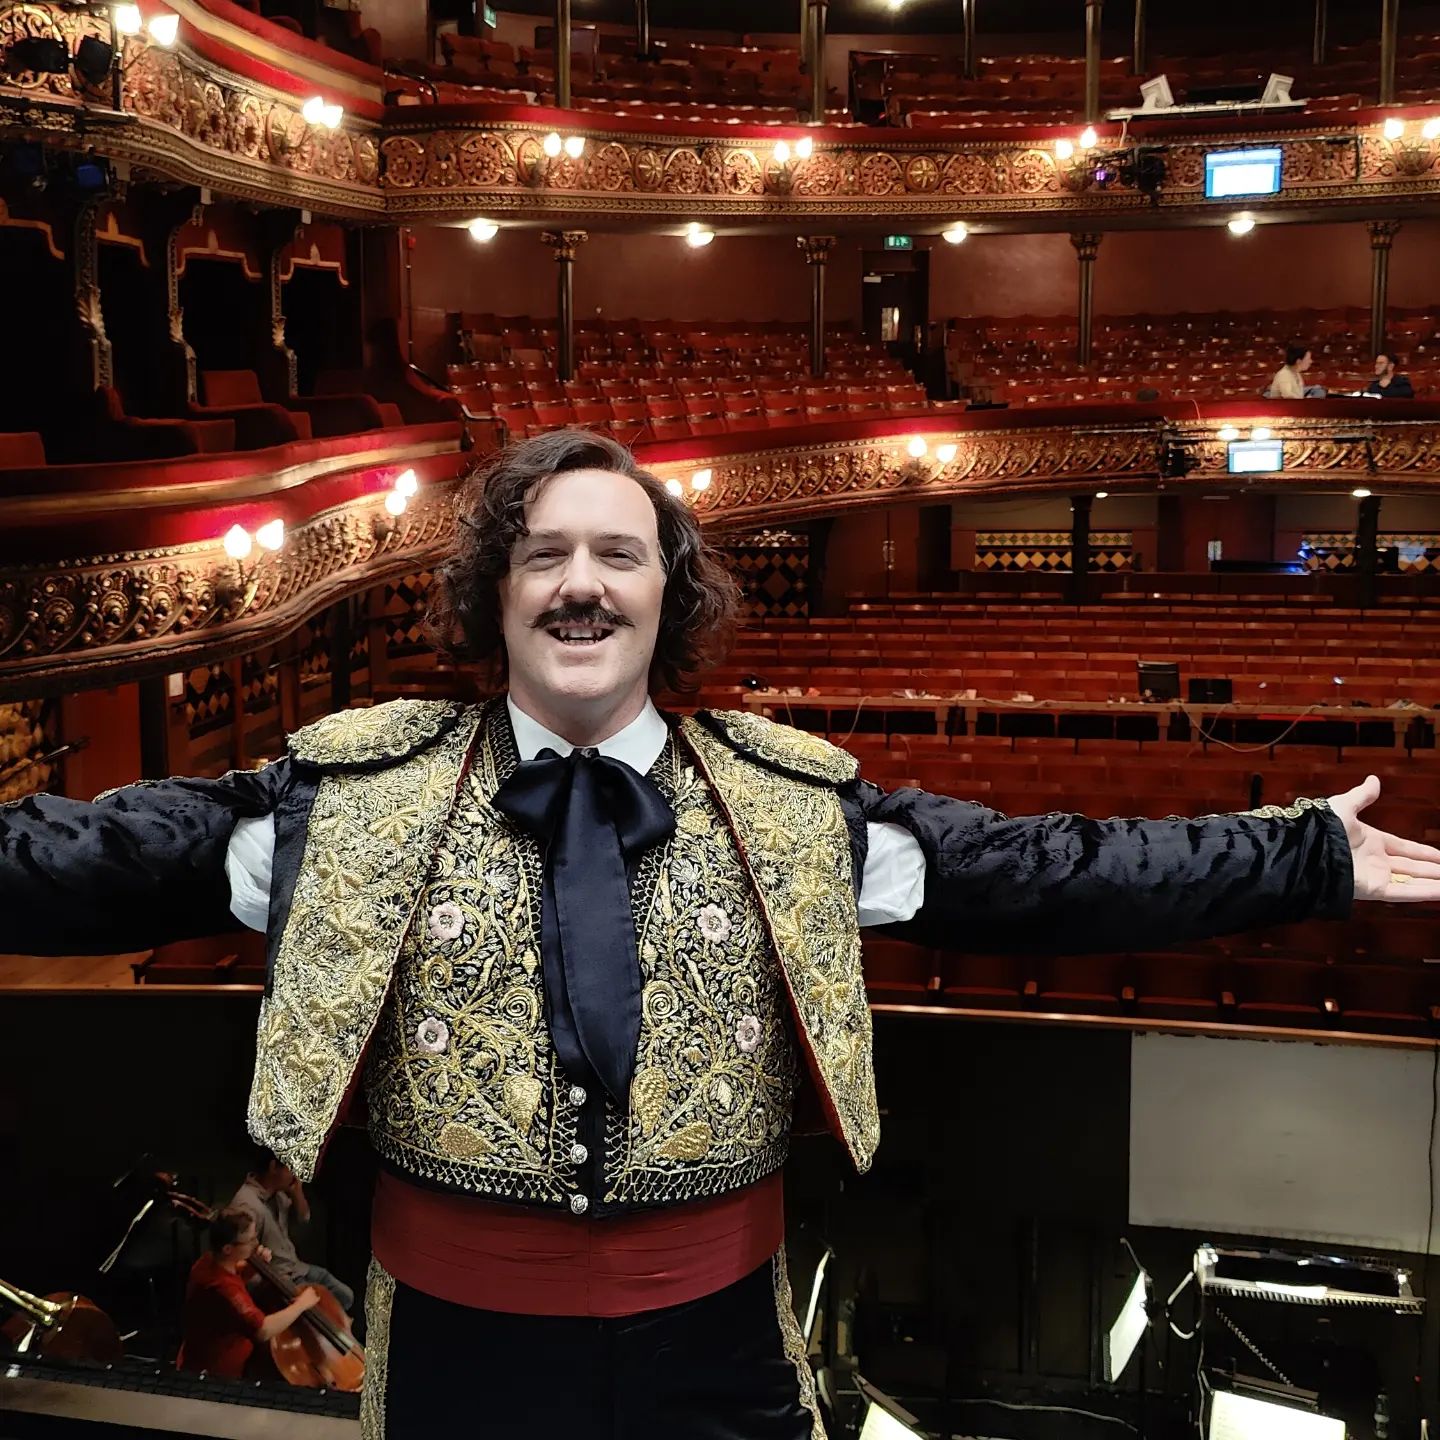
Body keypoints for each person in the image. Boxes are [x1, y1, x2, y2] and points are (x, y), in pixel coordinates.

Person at [4, 429, 1439, 1439]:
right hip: (456, 1347)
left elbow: (1049, 874)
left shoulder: (789, 801)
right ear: (495, 591)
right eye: (544, 552)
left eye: (618, 555)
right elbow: (78, 858)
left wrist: (1295, 848)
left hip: (717, 1345)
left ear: (668, 596)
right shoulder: (347, 793)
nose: (581, 582)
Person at [177, 1208, 320, 1380]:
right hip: (220, 1371)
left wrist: (252, 1268)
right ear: (228, 1248)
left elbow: (232, 1276)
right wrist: (301, 1305)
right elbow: (263, 1330)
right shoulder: (222, 1287)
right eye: (249, 1240)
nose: (255, 1243)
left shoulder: (208, 1261)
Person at [231, 1145, 354, 1314]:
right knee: (323, 1311)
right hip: (280, 1280)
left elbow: (304, 1219)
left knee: (345, 1296)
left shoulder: (279, 1194)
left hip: (298, 1268)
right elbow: (242, 1257)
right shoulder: (247, 1203)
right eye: (291, 1167)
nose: (295, 1173)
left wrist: (297, 1193)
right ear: (274, 1167)